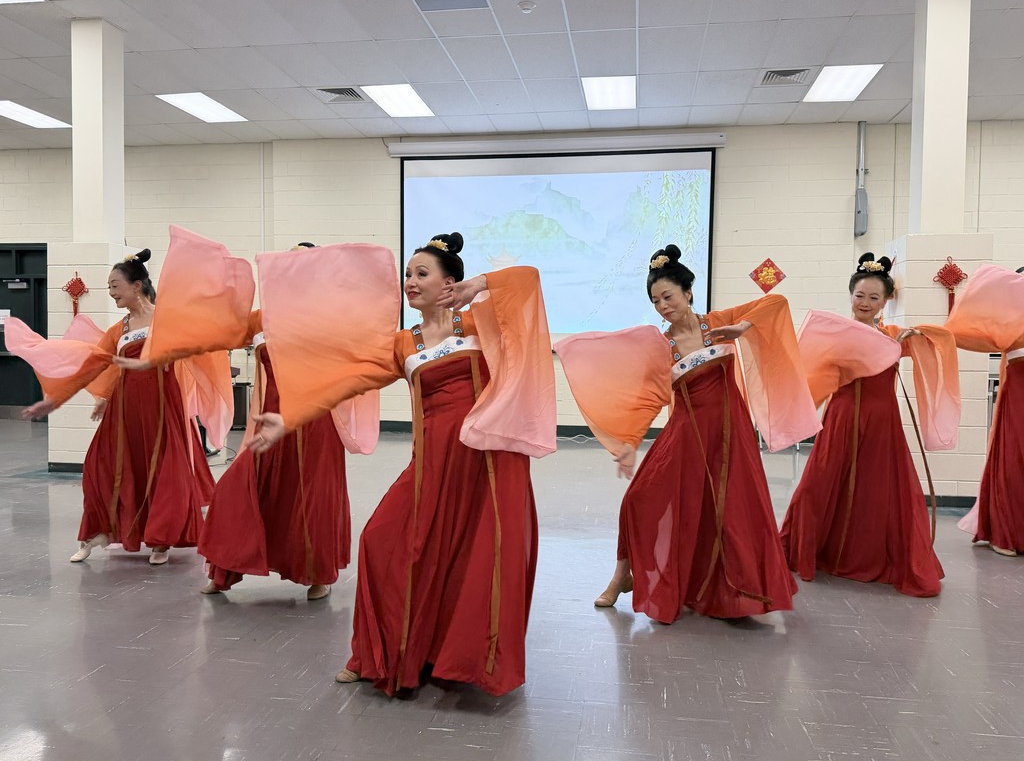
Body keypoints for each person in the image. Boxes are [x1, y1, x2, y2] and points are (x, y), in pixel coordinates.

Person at [248, 232, 556, 696]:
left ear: (449, 281)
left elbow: (527, 282)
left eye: (421, 273)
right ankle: (375, 654)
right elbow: (348, 382)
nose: (410, 282)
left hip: (486, 462)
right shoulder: (403, 343)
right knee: (380, 541)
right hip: (432, 461)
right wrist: (289, 416)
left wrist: (480, 286)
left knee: (475, 556)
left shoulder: (479, 324)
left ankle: (461, 658)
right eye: (407, 274)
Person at [554, 244, 820, 623]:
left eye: (668, 296)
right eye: (655, 300)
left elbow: (775, 303)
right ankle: (622, 575)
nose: (663, 306)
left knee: (730, 510)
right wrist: (630, 443)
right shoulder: (663, 346)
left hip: (731, 435)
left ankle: (731, 588)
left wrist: (742, 327)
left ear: (688, 292)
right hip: (687, 434)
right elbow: (648, 399)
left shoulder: (717, 323)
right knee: (638, 498)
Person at [116, 238, 362, 600]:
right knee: (237, 488)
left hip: (314, 423)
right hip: (270, 422)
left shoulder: (330, 318)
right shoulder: (261, 318)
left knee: (309, 500)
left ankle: (316, 574)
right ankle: (225, 571)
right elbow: (212, 336)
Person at [11, 248, 230, 564]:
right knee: (102, 466)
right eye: (110, 287)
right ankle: (101, 530)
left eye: (115, 285)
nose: (111, 293)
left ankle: (161, 538)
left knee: (163, 470)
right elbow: (92, 366)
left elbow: (193, 348)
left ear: (136, 285)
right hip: (124, 409)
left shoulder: (167, 319)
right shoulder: (120, 329)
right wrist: (54, 400)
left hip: (161, 405)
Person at [779, 253, 960, 597]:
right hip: (843, 416)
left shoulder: (892, 333)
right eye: (860, 295)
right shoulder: (835, 332)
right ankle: (803, 547)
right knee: (819, 484)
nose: (865, 303)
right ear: (850, 295)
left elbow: (935, 342)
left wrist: (914, 338)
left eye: (874, 297)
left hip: (882, 422)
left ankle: (874, 555)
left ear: (886, 301)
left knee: (880, 491)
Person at [947, 264, 1024, 555]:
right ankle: (1006, 531)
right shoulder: (1008, 320)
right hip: (1019, 387)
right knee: (1015, 455)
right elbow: (962, 333)